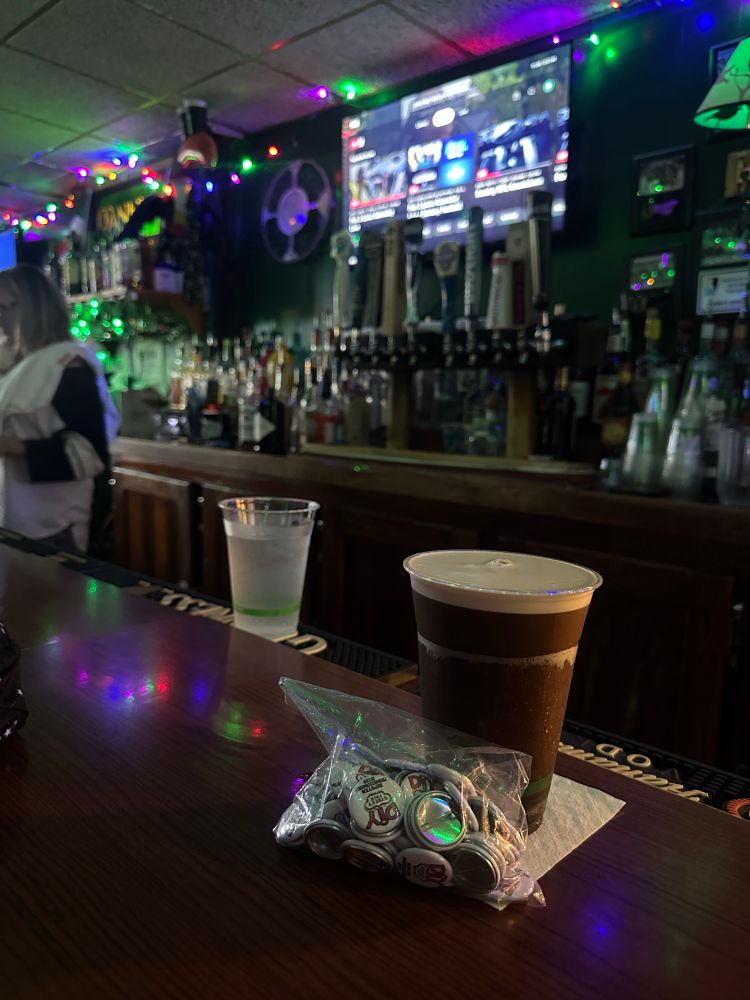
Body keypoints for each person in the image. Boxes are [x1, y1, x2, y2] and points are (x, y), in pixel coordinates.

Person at [0, 263, 120, 554]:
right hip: (12, 523)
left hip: (52, 528)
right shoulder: (11, 364)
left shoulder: (68, 364)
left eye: (6, 307)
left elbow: (92, 454)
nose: (0, 317)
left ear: (35, 309)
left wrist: (13, 446)